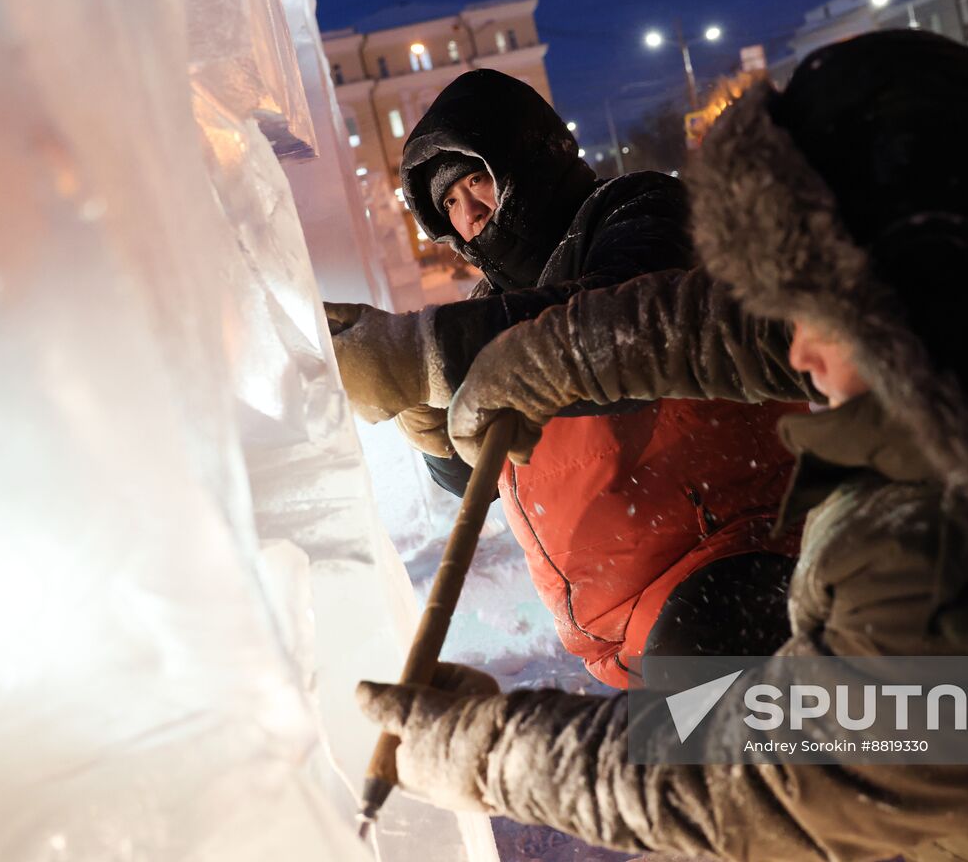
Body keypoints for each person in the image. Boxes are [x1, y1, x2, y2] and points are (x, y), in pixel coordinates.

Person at [356, 32, 968, 861]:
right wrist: (543, 358)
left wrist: (492, 750)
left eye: (813, 308)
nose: (792, 352)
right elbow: (725, 326)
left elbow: (742, 773)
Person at [326, 69, 810, 687]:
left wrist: (425, 353)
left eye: (477, 182)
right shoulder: (491, 302)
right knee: (667, 771)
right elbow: (490, 476)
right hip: (623, 628)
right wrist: (436, 432)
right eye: (449, 204)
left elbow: (626, 323)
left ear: (525, 161)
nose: (469, 213)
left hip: (727, 570)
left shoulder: (634, 208)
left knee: (730, 772)